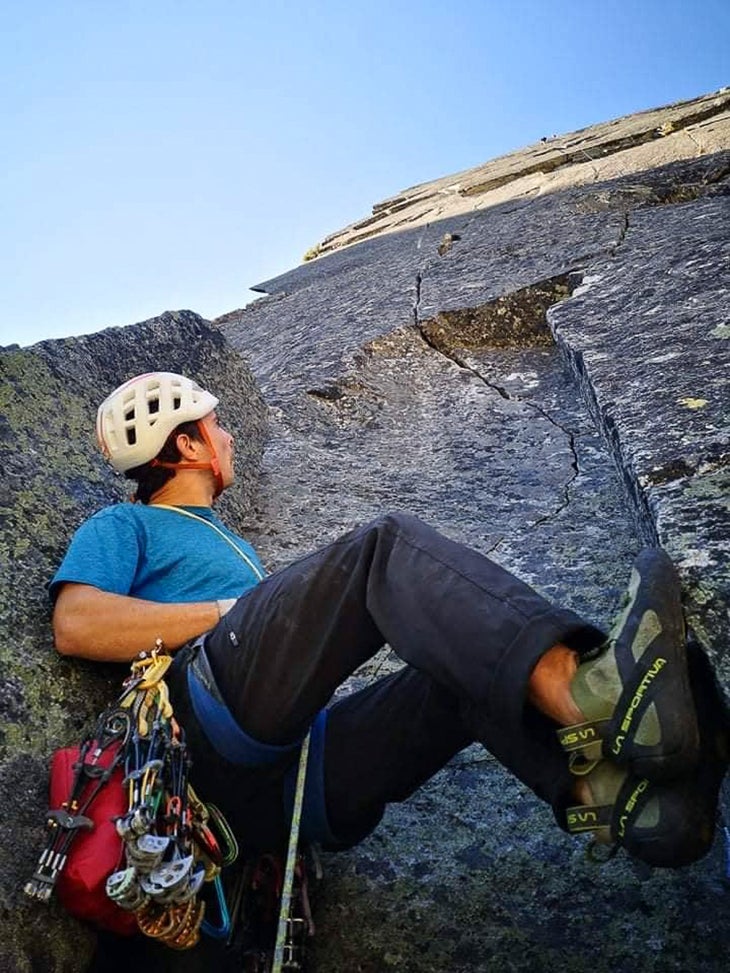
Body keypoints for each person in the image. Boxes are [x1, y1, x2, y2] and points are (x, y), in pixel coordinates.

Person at [51, 372, 728, 869]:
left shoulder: (227, 541)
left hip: (282, 794)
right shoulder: (126, 523)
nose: (229, 437)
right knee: (381, 550)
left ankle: (619, 798)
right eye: (216, 426)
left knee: (459, 673)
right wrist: (230, 611)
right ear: (189, 443)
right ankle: (586, 692)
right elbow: (76, 623)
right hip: (196, 735)